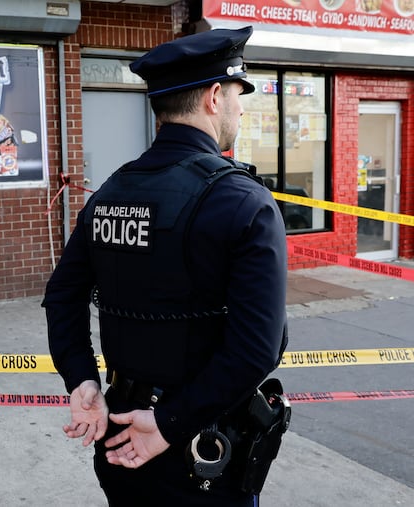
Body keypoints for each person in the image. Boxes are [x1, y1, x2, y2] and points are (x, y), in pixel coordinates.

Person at [42, 26, 288, 506]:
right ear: (215, 97)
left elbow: (62, 296)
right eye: (239, 94)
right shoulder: (244, 201)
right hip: (201, 446)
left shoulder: (111, 193)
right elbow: (259, 348)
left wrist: (83, 381)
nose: (241, 108)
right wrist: (168, 425)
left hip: (117, 432)